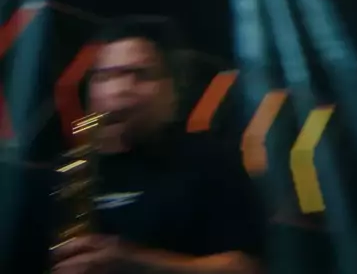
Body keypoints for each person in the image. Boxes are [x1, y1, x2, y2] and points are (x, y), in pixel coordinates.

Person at [50, 16, 265, 273]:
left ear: (172, 91)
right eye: (104, 77)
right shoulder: (70, 169)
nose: (117, 89)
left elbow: (244, 268)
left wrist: (133, 261)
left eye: (139, 75)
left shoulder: (211, 163)